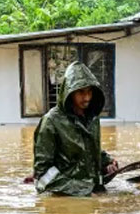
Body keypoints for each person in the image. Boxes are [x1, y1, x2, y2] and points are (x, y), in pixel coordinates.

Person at [33, 61, 119, 196]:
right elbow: (43, 173)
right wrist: (81, 191)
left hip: (93, 191)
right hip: (65, 196)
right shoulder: (51, 122)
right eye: (81, 92)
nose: (87, 98)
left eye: (90, 91)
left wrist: (107, 163)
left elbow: (89, 150)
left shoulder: (92, 118)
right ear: (69, 92)